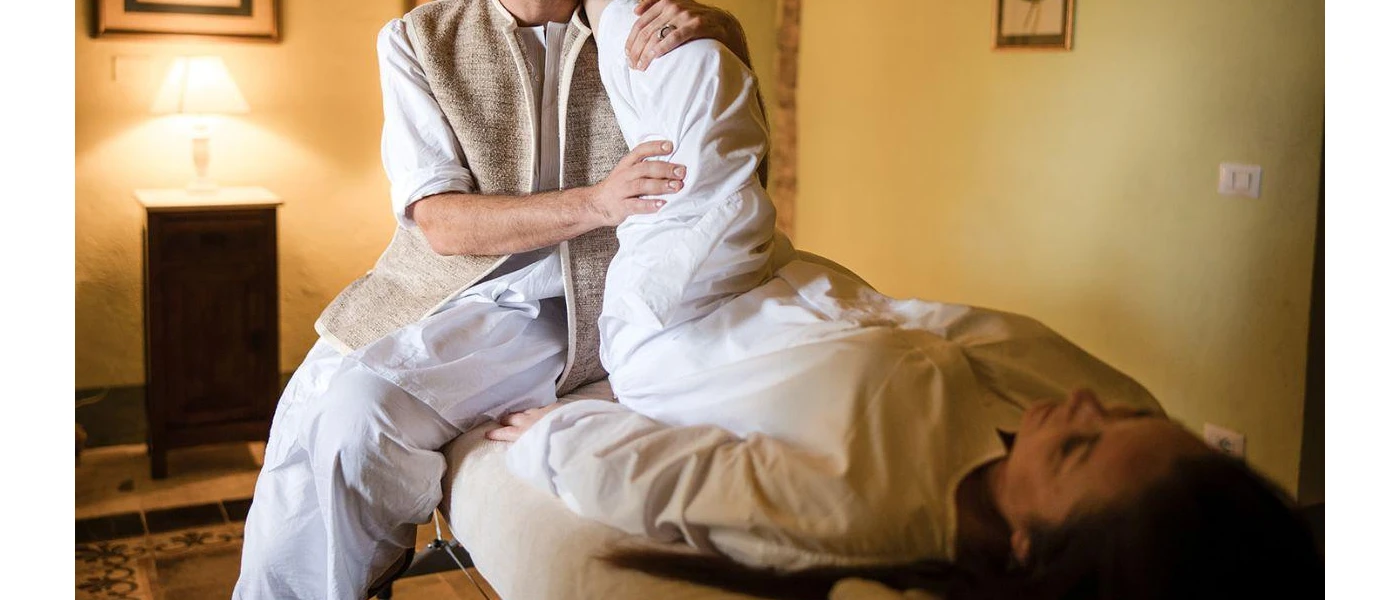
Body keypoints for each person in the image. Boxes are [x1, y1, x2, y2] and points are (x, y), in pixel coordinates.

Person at [487, 1, 1323, 598]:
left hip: (681, 327)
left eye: (1079, 450)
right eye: (1124, 421)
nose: (1081, 407)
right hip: (792, 281)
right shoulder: (1119, 421)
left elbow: (661, 479)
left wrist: (548, 439)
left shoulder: (864, 510)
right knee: (706, 64)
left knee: (699, 69)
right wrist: (1123, 427)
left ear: (1030, 551)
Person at [232, 1, 756, 598]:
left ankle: (357, 570)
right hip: (439, 287)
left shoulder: (629, 19)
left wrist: (726, 35)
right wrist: (597, 203)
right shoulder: (418, 37)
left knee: (359, 414)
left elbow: (727, 147)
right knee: (309, 410)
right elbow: (441, 223)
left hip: (573, 307)